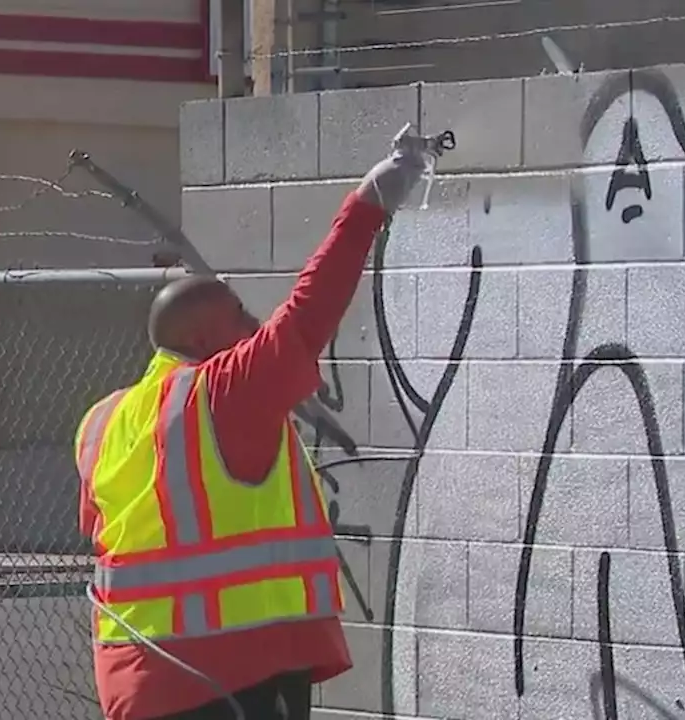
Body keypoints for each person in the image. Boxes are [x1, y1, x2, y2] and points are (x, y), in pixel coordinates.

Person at [73, 129, 428, 720]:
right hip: (227, 679)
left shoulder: (102, 420)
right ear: (201, 339)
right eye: (239, 315)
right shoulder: (222, 393)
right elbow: (308, 315)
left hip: (138, 680)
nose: (251, 323)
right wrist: (369, 201)